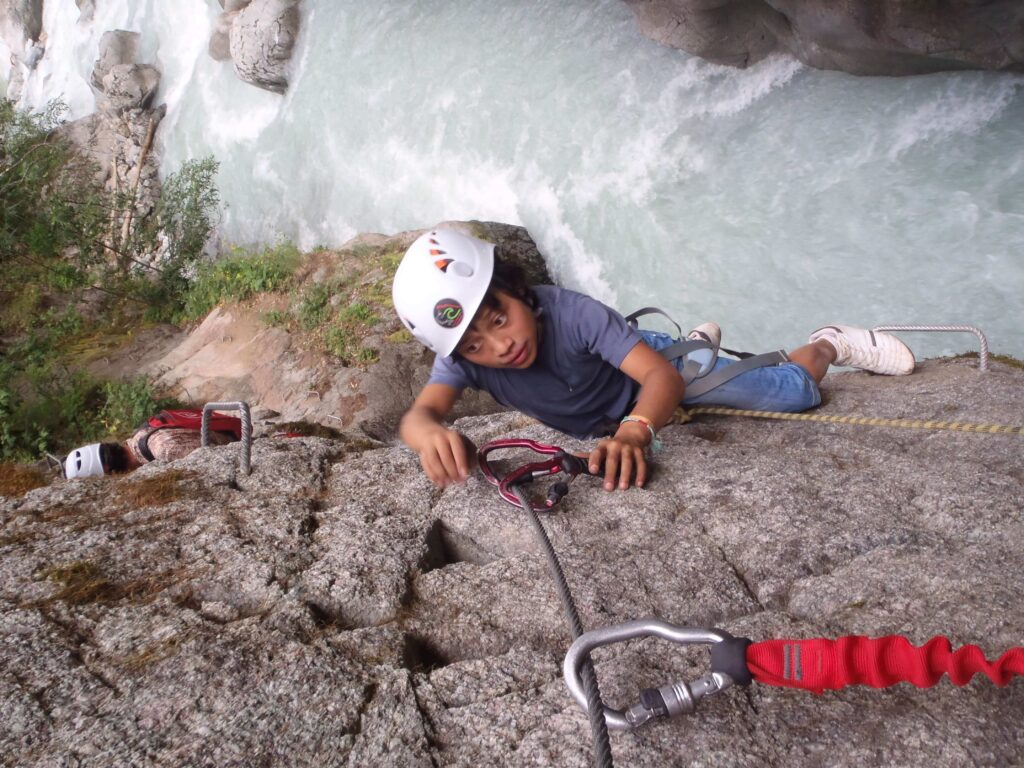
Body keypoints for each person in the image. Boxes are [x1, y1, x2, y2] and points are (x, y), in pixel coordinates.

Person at [393, 228, 915, 493]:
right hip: (618, 407)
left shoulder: (574, 316)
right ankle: (694, 340)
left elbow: (657, 377)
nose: (498, 347)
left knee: (797, 393)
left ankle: (828, 342)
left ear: (514, 288)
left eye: (499, 318)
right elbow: (418, 417)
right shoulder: (466, 359)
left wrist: (636, 429)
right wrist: (430, 436)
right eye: (474, 344)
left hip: (650, 381)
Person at [64, 412, 238, 479]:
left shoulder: (164, 450)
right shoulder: (140, 437)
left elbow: (219, 461)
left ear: (112, 472)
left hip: (239, 446)